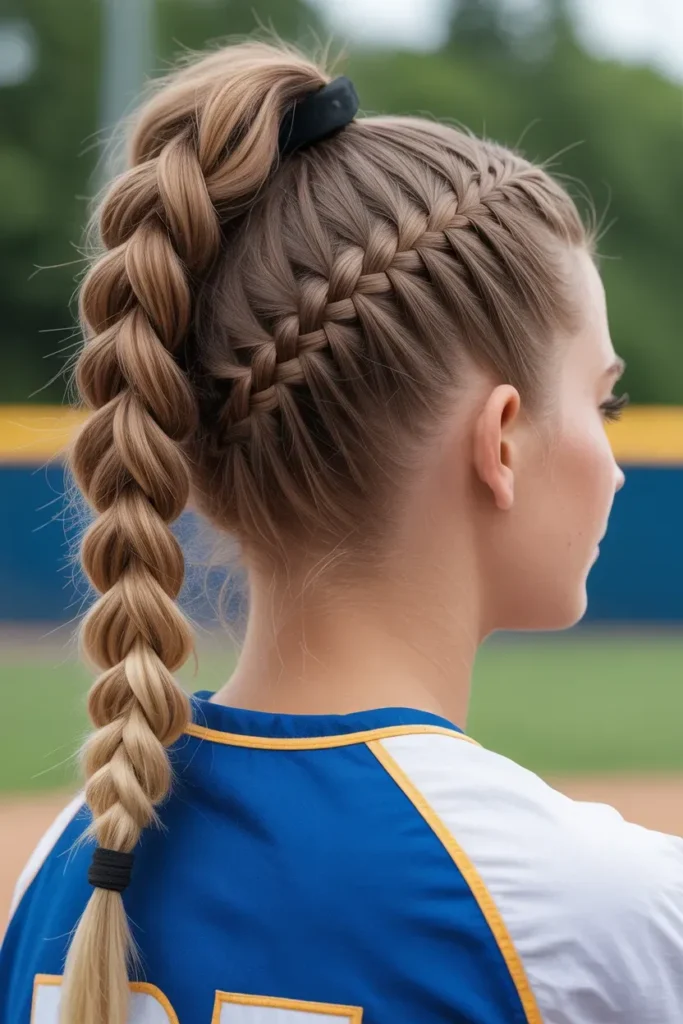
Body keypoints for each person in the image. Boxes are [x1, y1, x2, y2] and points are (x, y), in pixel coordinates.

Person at [1, 39, 682, 1024]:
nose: (613, 462)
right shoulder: (595, 912)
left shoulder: (74, 866)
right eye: (603, 406)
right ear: (498, 440)